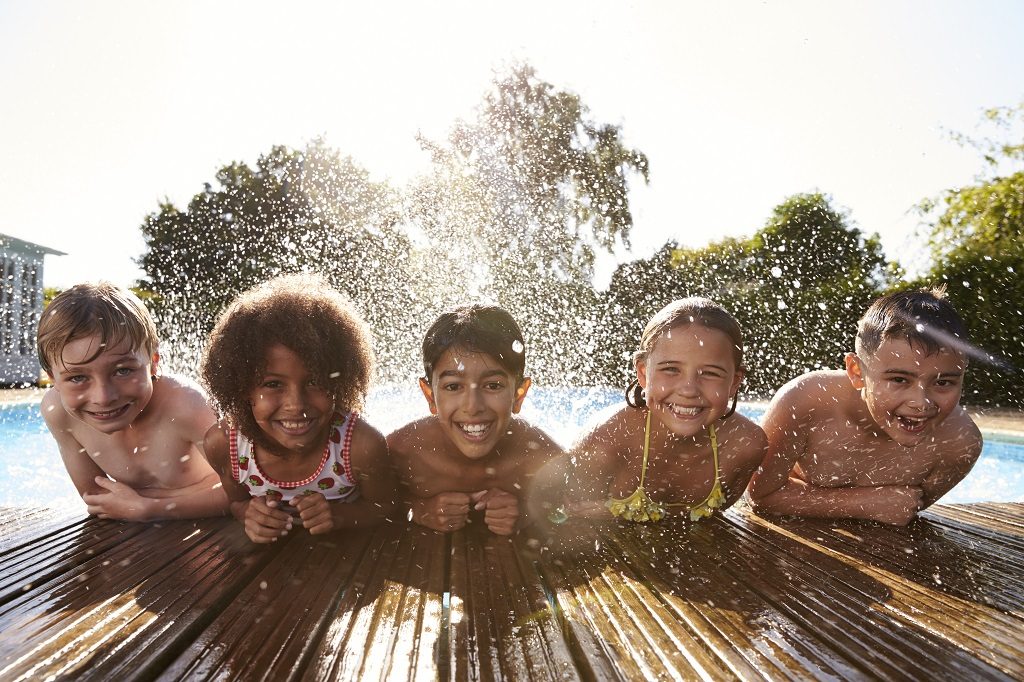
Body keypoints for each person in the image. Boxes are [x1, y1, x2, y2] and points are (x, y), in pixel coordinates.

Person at [748, 287, 983, 526]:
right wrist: (864, 503)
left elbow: (903, 509)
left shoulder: (959, 444)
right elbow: (761, 495)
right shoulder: (807, 401)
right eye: (899, 380)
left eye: (943, 382)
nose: (921, 403)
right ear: (857, 371)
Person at [200, 274, 396, 543]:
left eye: (314, 381)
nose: (296, 404)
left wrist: (340, 516)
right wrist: (249, 514)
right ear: (241, 386)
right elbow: (236, 502)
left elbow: (386, 508)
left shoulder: (360, 446)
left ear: (340, 381)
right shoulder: (225, 444)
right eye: (272, 384)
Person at [563, 298, 767, 523]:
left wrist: (642, 515)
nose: (689, 390)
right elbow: (564, 517)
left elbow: (713, 516)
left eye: (710, 373)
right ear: (643, 374)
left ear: (735, 382)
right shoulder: (609, 438)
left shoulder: (746, 445)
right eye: (671, 369)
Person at [37, 282, 228, 521]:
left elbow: (250, 490)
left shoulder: (185, 404)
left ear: (154, 362)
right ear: (53, 378)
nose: (104, 397)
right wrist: (188, 495)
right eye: (77, 377)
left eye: (123, 371)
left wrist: (148, 508)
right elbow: (98, 500)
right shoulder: (58, 411)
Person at [387, 304, 562, 536]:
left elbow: (572, 507)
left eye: (492, 386)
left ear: (519, 394)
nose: (473, 407)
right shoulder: (403, 452)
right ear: (430, 396)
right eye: (453, 386)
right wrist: (418, 510)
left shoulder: (540, 457)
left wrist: (528, 512)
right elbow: (374, 505)